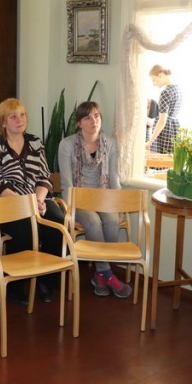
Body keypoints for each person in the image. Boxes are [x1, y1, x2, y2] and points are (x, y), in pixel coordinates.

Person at [0, 98, 64, 304]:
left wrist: (38, 199)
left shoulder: (35, 142)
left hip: (37, 199)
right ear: (3, 122)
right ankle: (14, 285)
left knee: (57, 221)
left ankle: (46, 280)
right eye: (13, 117)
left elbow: (44, 177)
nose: (20, 120)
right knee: (26, 228)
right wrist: (26, 204)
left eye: (22, 115)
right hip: (6, 203)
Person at [57, 101, 131, 298]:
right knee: (94, 222)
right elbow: (67, 184)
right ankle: (108, 274)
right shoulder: (67, 145)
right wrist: (71, 208)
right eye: (87, 118)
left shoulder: (110, 143)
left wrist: (118, 206)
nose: (93, 121)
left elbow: (114, 179)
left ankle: (100, 275)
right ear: (79, 123)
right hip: (78, 199)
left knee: (112, 222)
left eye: (96, 116)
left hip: (103, 198)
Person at [146, 65, 182, 153]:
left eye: (154, 80)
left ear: (160, 75)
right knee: (171, 158)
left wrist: (150, 142)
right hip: (175, 128)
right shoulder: (177, 89)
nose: (154, 84)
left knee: (160, 158)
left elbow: (162, 121)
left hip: (165, 131)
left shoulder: (165, 92)